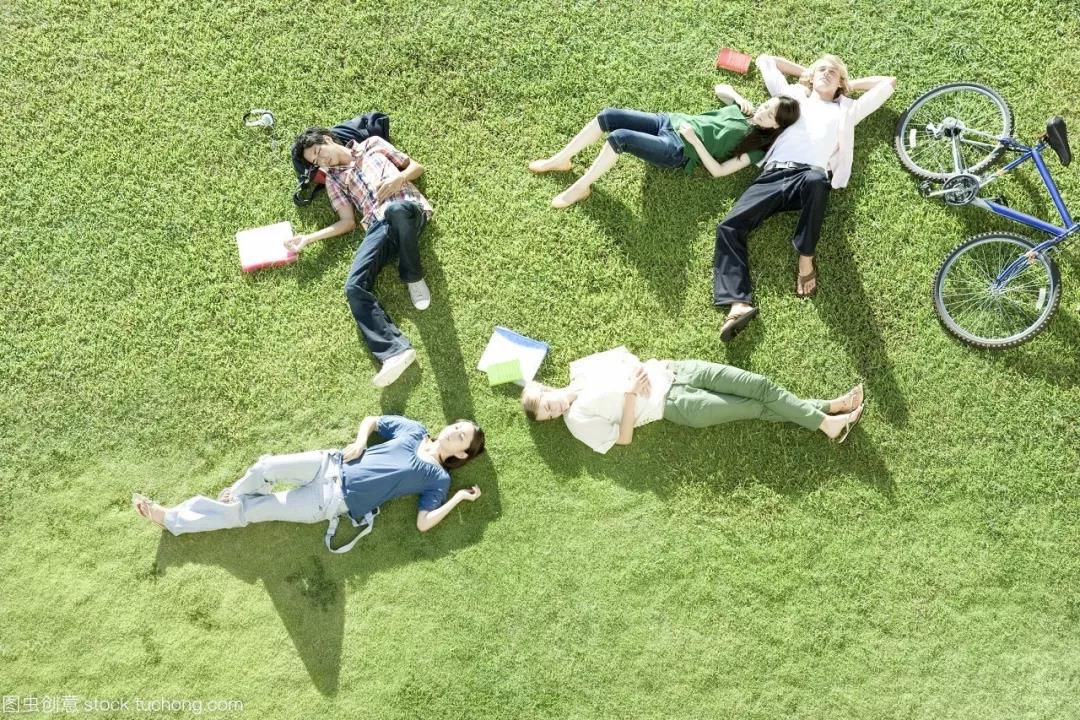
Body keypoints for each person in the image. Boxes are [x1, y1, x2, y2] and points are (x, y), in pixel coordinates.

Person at [714, 54, 897, 341]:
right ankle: (738, 304)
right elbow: (766, 61)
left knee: (816, 179)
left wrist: (846, 84)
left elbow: (888, 82)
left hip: (808, 179)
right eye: (821, 69)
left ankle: (806, 256)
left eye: (833, 72)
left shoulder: (847, 109)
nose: (826, 73)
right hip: (773, 175)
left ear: (841, 82)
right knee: (728, 227)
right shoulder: (793, 96)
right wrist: (809, 74)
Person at [132, 416, 485, 537]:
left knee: (252, 512)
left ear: (461, 454)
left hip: (328, 501)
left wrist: (457, 498)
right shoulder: (414, 430)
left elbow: (424, 524)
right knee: (265, 467)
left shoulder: (438, 479)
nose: (453, 432)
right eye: (457, 426)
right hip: (328, 464)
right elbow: (373, 420)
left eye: (461, 437)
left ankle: (172, 519)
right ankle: (235, 492)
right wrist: (361, 441)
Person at [285, 129, 435, 387]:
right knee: (353, 287)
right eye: (315, 162)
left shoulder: (372, 145)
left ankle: (413, 276)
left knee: (397, 210)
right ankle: (395, 352)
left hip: (408, 209)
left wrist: (398, 179)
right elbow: (347, 222)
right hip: (378, 226)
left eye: (319, 152)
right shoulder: (333, 181)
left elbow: (416, 167)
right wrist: (308, 238)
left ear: (327, 139)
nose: (322, 161)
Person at [521, 347, 863, 453]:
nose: (556, 411)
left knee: (760, 385)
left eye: (549, 405)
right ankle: (828, 419)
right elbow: (623, 439)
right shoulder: (577, 422)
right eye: (550, 416)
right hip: (677, 405)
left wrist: (638, 371)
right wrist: (629, 395)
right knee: (756, 407)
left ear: (547, 389)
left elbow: (624, 356)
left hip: (679, 370)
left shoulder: (580, 369)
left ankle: (831, 413)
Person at [529, 85, 800, 208]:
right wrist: (738, 97)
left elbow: (718, 171)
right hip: (669, 121)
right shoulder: (745, 110)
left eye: (770, 115)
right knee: (608, 115)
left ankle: (581, 187)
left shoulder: (756, 148)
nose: (763, 112)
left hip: (678, 149)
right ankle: (561, 160)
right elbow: (720, 88)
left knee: (620, 137)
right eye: (767, 106)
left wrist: (695, 141)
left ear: (776, 126)